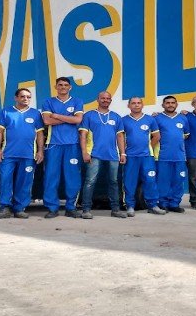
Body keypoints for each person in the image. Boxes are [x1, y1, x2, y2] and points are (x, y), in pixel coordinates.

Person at [0, 88, 45, 219]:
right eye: (22, 96)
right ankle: (4, 208)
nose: (25, 99)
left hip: (28, 155)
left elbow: (40, 134)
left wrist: (40, 151)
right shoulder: (6, 112)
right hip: (7, 155)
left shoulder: (35, 114)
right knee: (5, 180)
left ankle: (20, 208)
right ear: (16, 98)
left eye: (28, 97)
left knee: (25, 182)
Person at [78, 91, 127, 219]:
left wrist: (122, 153)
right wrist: (84, 152)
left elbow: (120, 136)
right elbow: (83, 135)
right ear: (98, 99)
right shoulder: (89, 115)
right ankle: (86, 210)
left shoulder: (116, 117)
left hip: (113, 155)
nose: (105, 100)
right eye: (103, 98)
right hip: (94, 154)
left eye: (108, 98)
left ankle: (115, 209)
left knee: (113, 182)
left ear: (110, 100)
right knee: (90, 181)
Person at [41, 77, 84, 218]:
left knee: (72, 177)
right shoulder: (48, 102)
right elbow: (47, 120)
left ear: (70, 87)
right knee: (51, 177)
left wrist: (57, 116)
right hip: (53, 144)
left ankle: (71, 207)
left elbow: (78, 119)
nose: (63, 87)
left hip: (72, 144)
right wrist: (68, 118)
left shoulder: (77, 101)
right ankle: (52, 208)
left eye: (66, 85)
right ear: (56, 87)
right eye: (60, 85)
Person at [121, 97, 166, 216]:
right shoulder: (123, 120)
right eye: (133, 103)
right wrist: (123, 153)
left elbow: (157, 136)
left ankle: (153, 205)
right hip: (130, 157)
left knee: (150, 181)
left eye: (138, 103)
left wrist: (148, 147)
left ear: (142, 105)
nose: (136, 105)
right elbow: (120, 138)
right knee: (129, 182)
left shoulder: (150, 119)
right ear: (128, 105)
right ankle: (130, 206)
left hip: (147, 157)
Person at [155, 96, 190, 213]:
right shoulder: (157, 118)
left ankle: (175, 203)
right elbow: (153, 135)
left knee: (178, 180)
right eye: (167, 103)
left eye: (173, 103)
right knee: (163, 181)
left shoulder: (183, 118)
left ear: (176, 104)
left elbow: (186, 134)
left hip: (180, 156)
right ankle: (163, 203)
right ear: (163, 105)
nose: (170, 105)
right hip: (163, 156)